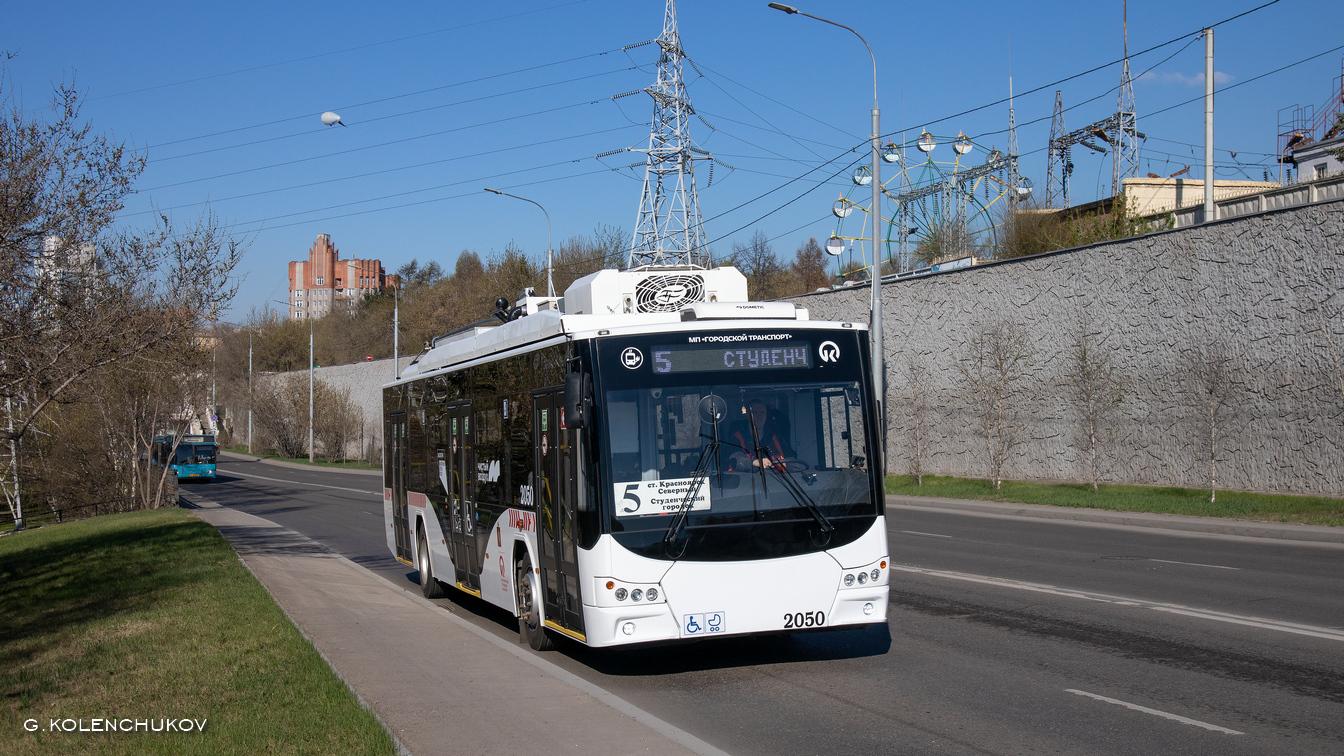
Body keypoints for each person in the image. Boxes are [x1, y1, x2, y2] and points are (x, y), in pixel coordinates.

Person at [728, 399, 794, 470]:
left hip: (778, 479)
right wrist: (755, 462)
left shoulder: (776, 436)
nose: (759, 416)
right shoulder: (737, 437)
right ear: (747, 414)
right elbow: (735, 461)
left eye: (762, 412)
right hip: (747, 479)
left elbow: (790, 458)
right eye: (755, 412)